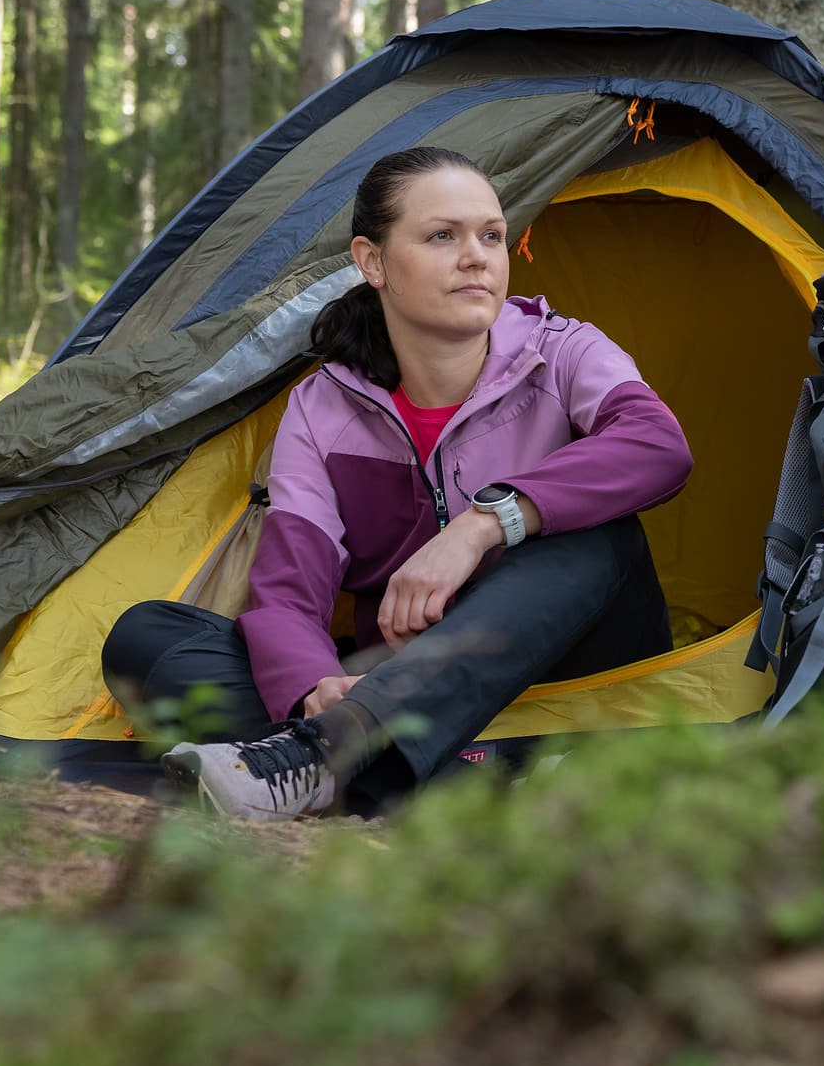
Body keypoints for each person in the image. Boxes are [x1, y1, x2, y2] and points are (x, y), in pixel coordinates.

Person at [102, 146, 691, 820]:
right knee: (148, 635)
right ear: (372, 261)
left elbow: (658, 446)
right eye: (444, 235)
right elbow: (289, 595)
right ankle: (437, 771)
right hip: (395, 690)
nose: (477, 257)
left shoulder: (561, 352)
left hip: (569, 672)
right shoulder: (323, 410)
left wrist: (483, 524)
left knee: (597, 535)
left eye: (491, 236)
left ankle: (318, 759)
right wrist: (313, 686)